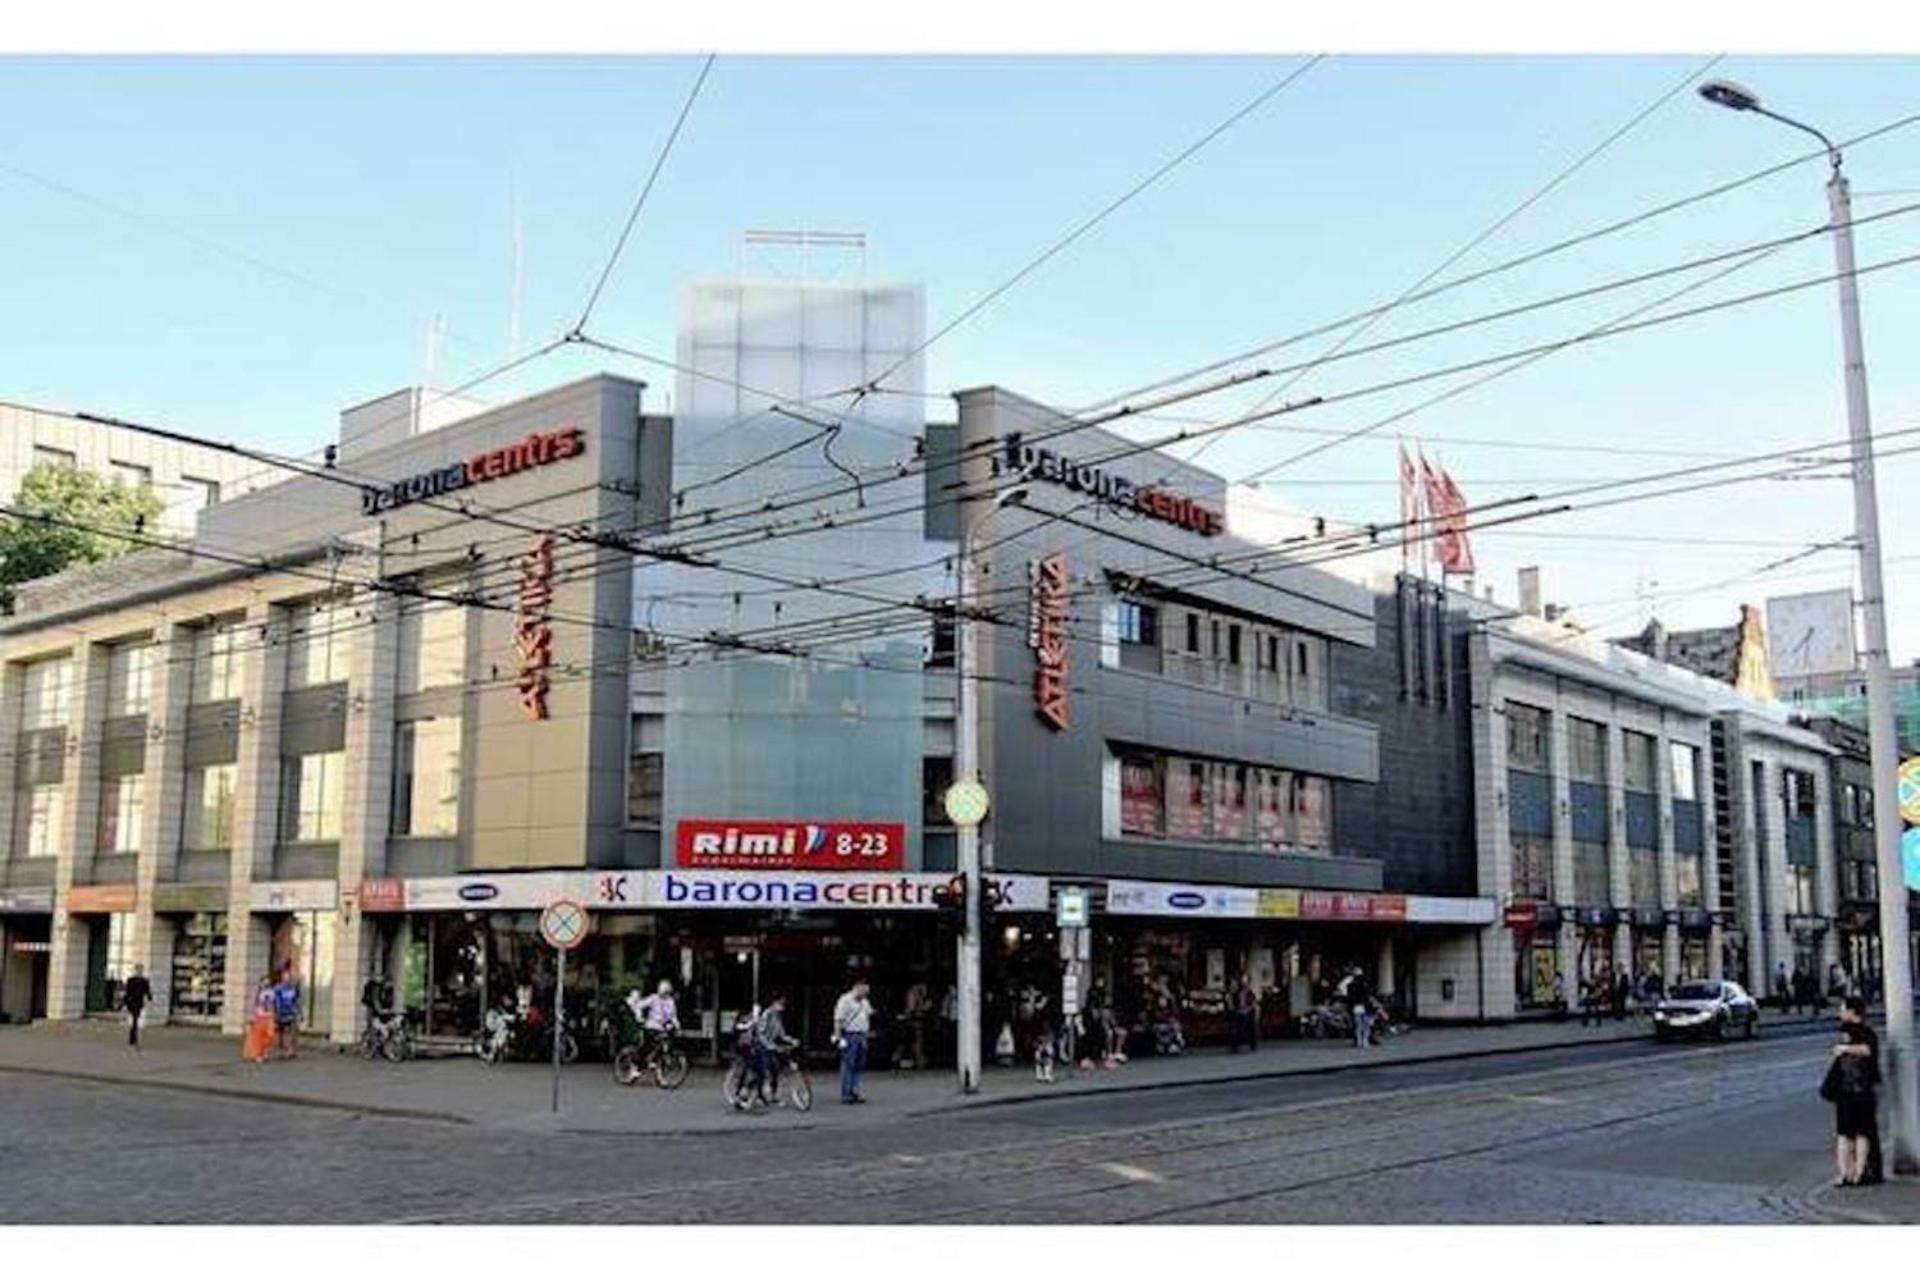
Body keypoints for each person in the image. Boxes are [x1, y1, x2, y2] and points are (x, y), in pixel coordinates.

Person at [1825, 999, 1881, 1187]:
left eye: (1842, 1009)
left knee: (1857, 1134)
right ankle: (1846, 1172)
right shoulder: (1846, 1032)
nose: (1840, 1013)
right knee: (1849, 1134)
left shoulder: (1865, 1033)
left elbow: (1867, 1050)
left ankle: (1857, 1172)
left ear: (1852, 1011)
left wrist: (1845, 1049)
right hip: (1849, 1091)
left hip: (1859, 1090)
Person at [832, 977, 873, 1105]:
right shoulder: (845, 1000)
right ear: (857, 987)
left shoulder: (865, 1002)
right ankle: (846, 1094)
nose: (865, 994)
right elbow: (838, 1019)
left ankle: (854, 1091)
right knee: (848, 1064)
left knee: (859, 1065)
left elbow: (868, 1016)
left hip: (862, 1035)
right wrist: (839, 1038)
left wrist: (866, 1033)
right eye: (864, 990)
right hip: (850, 1035)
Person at [755, 994, 798, 1102]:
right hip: (762, 1045)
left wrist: (791, 1040)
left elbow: (781, 1034)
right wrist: (769, 1046)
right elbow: (760, 1032)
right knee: (765, 1069)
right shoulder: (767, 1014)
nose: (783, 1006)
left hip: (771, 1045)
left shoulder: (778, 1016)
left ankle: (773, 1094)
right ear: (774, 1003)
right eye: (781, 1003)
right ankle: (759, 1095)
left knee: (775, 1068)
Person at [242, 975, 276, 1063]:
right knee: (258, 1037)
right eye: (265, 981)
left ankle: (265, 1050)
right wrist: (252, 1016)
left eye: (268, 981)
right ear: (261, 982)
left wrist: (275, 1012)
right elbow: (252, 1004)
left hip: (269, 1016)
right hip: (259, 1016)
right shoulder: (257, 992)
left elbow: (274, 1003)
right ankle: (258, 1054)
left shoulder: (272, 992)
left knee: (270, 1035)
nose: (266, 983)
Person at [271, 965, 300, 1060]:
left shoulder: (293, 987)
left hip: (291, 1012)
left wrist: (298, 1011)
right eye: (285, 976)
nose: (287, 978)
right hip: (281, 1012)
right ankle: (281, 1051)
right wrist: (276, 1012)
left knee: (292, 1031)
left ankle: (291, 1050)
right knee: (281, 1033)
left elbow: (296, 1000)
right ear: (282, 977)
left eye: (288, 976)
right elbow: (275, 1000)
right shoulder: (278, 988)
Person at [121, 964, 152, 1050]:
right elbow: (127, 992)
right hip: (132, 1002)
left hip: (137, 1003)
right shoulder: (131, 980)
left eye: (140, 970)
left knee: (135, 1020)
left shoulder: (143, 981)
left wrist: (149, 997)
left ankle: (133, 1038)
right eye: (138, 970)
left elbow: (147, 991)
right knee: (134, 1019)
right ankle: (133, 1037)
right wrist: (124, 1003)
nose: (139, 971)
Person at [1229, 975, 1259, 1053]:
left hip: (1248, 1011)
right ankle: (1235, 1045)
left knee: (1252, 1026)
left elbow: (1253, 1002)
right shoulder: (1236, 993)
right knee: (1237, 1028)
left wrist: (1248, 1008)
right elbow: (1233, 1004)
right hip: (1239, 1012)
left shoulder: (1250, 993)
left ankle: (1253, 1044)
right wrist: (1237, 1009)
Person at [1348, 968, 1374, 1049]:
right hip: (1364, 1006)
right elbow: (1368, 996)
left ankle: (1359, 1041)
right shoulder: (1365, 985)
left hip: (1356, 1007)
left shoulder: (1351, 985)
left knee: (1358, 1025)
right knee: (1366, 1025)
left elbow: (1350, 998)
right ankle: (1365, 1041)